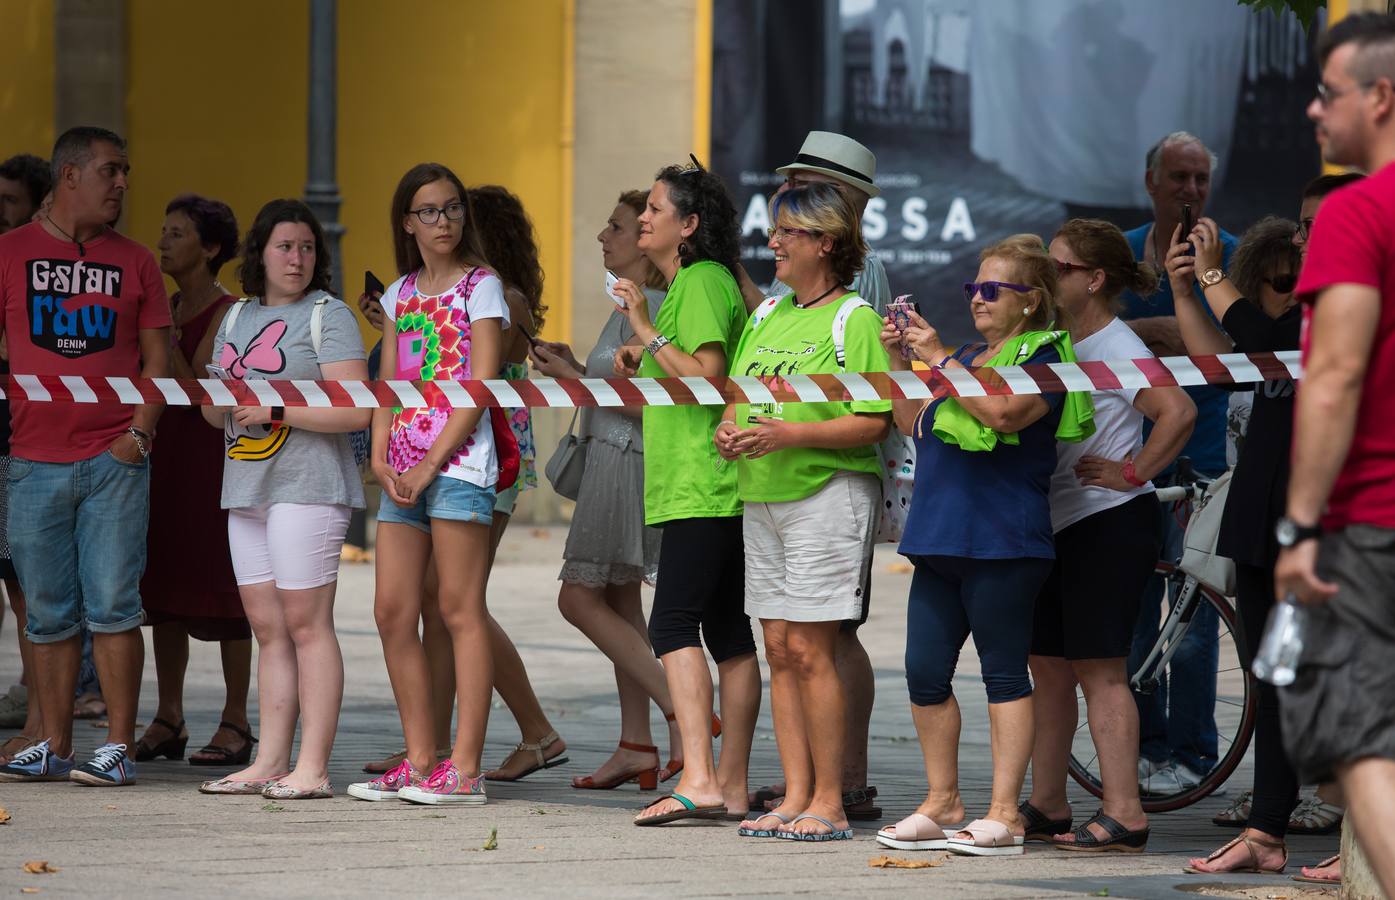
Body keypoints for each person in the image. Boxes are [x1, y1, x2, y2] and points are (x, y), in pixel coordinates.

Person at [874, 235, 1094, 857]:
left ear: (1030, 302)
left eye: (992, 290)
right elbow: (910, 420)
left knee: (1002, 672)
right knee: (923, 672)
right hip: (940, 539)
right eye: (973, 287)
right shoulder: (967, 355)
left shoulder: (1047, 355)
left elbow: (1004, 414)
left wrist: (939, 355)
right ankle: (942, 800)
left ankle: (1006, 815)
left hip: (1003, 541)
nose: (977, 298)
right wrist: (899, 362)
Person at [0, 127, 170, 786]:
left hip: (114, 460)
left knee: (114, 606)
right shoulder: (10, 253)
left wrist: (140, 435)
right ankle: (55, 743)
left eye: (124, 171)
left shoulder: (136, 262)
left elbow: (157, 360)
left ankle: (118, 748)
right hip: (32, 458)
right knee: (46, 611)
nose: (122, 184)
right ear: (69, 175)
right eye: (111, 170)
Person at [722, 183, 891, 841]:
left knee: (812, 648)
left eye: (786, 233)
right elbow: (738, 398)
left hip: (827, 496)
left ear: (825, 241)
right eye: (773, 231)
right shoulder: (766, 315)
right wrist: (731, 431)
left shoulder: (854, 320)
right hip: (760, 492)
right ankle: (794, 794)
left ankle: (829, 800)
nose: (772, 244)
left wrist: (785, 434)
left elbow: (873, 422)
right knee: (778, 647)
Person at [1023, 219, 1195, 853]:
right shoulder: (1060, 340)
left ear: (1094, 280)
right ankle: (1048, 802)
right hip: (1059, 521)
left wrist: (1133, 473)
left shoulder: (1117, 346)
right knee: (1047, 667)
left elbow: (1178, 411)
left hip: (1106, 522)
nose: (1047, 274)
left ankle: (1125, 811)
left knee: (1100, 670)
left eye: (1059, 267)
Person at [1275, 13, 1395, 896]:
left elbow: (1333, 375)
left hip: (1369, 521)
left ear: (1380, 97)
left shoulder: (1357, 210)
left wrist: (1299, 525)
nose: (1315, 112)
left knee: (1354, 738)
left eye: (1329, 92)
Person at [195, 199, 369, 799]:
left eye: (306, 248)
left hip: (309, 487)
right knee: (267, 626)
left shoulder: (330, 315)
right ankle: (269, 761)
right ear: (260, 254)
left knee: (306, 623)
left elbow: (356, 410)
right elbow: (211, 408)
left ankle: (313, 767)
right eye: (284, 247)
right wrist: (220, 402)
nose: (296, 259)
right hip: (246, 487)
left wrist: (276, 408)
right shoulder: (237, 316)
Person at [348, 163, 508, 807]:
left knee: (459, 610)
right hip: (402, 469)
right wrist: (381, 456)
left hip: (460, 467)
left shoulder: (483, 288)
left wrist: (428, 462)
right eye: (428, 212)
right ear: (407, 222)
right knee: (391, 611)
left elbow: (481, 386)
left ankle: (465, 771)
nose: (442, 222)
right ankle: (421, 760)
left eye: (451, 209)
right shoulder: (399, 295)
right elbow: (389, 385)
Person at [616, 160, 759, 826]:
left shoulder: (699, 280)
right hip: (705, 483)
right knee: (728, 633)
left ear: (689, 224)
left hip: (703, 483)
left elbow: (706, 376)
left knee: (670, 624)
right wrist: (641, 353)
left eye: (654, 207)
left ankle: (699, 776)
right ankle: (728, 785)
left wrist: (644, 330)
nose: (643, 217)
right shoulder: (696, 284)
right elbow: (685, 368)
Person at [526, 189, 678, 790]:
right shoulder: (630, 306)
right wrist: (575, 370)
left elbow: (660, 406)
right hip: (616, 458)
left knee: (577, 599)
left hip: (625, 462)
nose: (602, 236)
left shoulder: (656, 307)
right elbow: (616, 386)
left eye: (616, 226)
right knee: (620, 606)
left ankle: (681, 710)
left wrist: (576, 377)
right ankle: (636, 744)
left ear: (647, 242)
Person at [1121, 131, 1238, 795]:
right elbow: (1098, 335)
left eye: (1199, 179)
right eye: (1178, 178)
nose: (1190, 191)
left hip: (1202, 456)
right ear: (1150, 182)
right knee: (1133, 604)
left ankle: (1193, 755)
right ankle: (1144, 745)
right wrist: (1170, 335)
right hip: (1130, 453)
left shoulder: (1228, 255)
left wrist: (1155, 336)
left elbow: (1223, 347)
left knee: (1194, 614)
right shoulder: (1125, 253)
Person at [134, 194, 254, 767]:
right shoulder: (170, 303)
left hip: (212, 458)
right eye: (163, 230)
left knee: (229, 590)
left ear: (209, 249)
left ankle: (236, 720)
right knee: (165, 589)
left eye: (176, 233)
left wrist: (160, 331)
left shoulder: (229, 312)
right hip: (165, 459)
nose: (162, 241)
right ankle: (169, 715)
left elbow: (193, 390)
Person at [0, 152, 50, 755]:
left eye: (9, 200)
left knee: (27, 593)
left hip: (18, 441)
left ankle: (41, 719)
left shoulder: (34, 263)